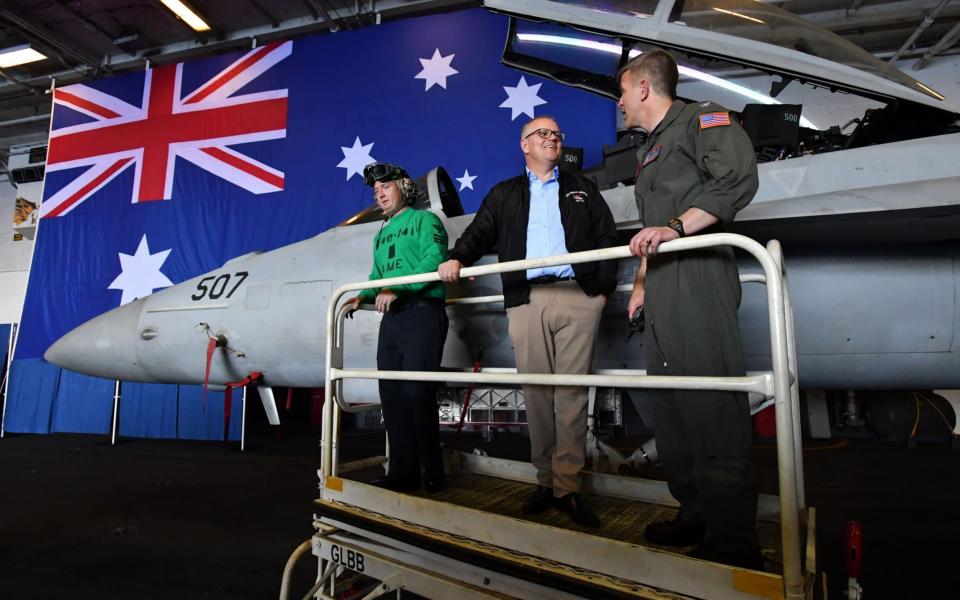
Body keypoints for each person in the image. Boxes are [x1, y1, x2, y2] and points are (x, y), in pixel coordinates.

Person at [617, 49, 763, 569]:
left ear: (641, 88)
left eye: (622, 91)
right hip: (661, 287)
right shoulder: (650, 149)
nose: (619, 103)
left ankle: (734, 541)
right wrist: (639, 285)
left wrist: (678, 229)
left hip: (699, 275)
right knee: (672, 410)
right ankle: (695, 512)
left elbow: (737, 181)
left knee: (711, 407)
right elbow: (648, 230)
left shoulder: (703, 118)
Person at [438, 116, 618, 527]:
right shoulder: (505, 194)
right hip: (526, 300)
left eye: (557, 134)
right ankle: (545, 482)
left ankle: (567, 488)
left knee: (572, 396)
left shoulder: (581, 188)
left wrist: (600, 291)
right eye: (543, 133)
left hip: (577, 297)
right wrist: (456, 258)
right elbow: (478, 234)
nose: (552, 138)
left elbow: (607, 237)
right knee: (537, 395)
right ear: (525, 145)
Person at [344, 162, 449, 493]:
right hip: (392, 320)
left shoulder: (425, 220)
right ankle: (402, 473)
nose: (380, 194)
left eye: (385, 188)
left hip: (422, 314)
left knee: (418, 394)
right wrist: (361, 296)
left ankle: (433, 474)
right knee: (391, 396)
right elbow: (378, 277)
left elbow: (433, 259)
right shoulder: (382, 233)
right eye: (376, 191)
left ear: (403, 188)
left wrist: (398, 289)